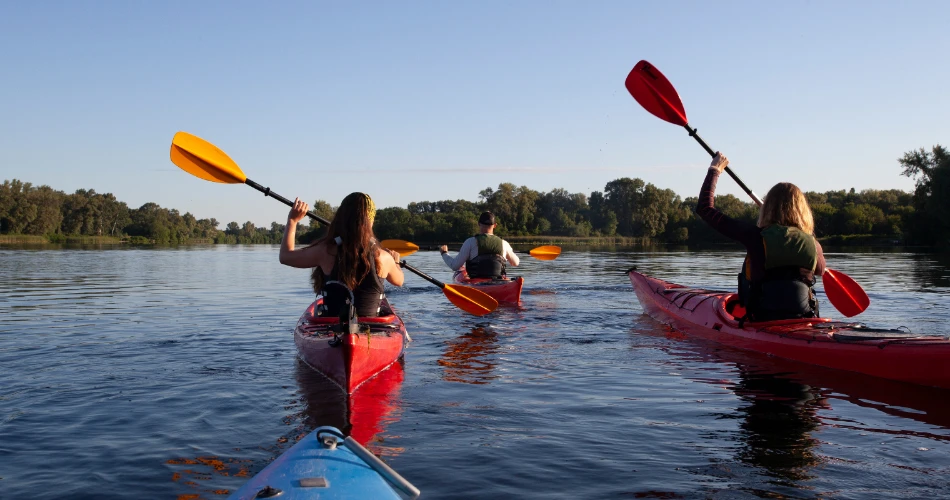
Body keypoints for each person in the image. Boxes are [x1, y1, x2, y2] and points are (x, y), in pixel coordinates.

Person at [697, 153, 825, 321]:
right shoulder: (813, 244)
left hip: (762, 319)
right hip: (805, 318)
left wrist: (715, 169)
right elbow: (821, 271)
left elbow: (705, 208)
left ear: (767, 208)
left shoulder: (754, 236)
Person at [278, 192, 404, 317]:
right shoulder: (383, 257)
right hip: (372, 330)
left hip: (332, 329)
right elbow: (399, 281)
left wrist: (292, 221)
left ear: (340, 218)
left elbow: (285, 256)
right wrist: (395, 262)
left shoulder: (325, 251)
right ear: (370, 221)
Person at [439, 211, 520, 279]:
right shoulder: (504, 243)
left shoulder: (470, 242)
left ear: (479, 224)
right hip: (498, 282)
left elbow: (455, 266)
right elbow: (515, 263)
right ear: (495, 225)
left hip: (476, 284)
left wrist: (444, 253)